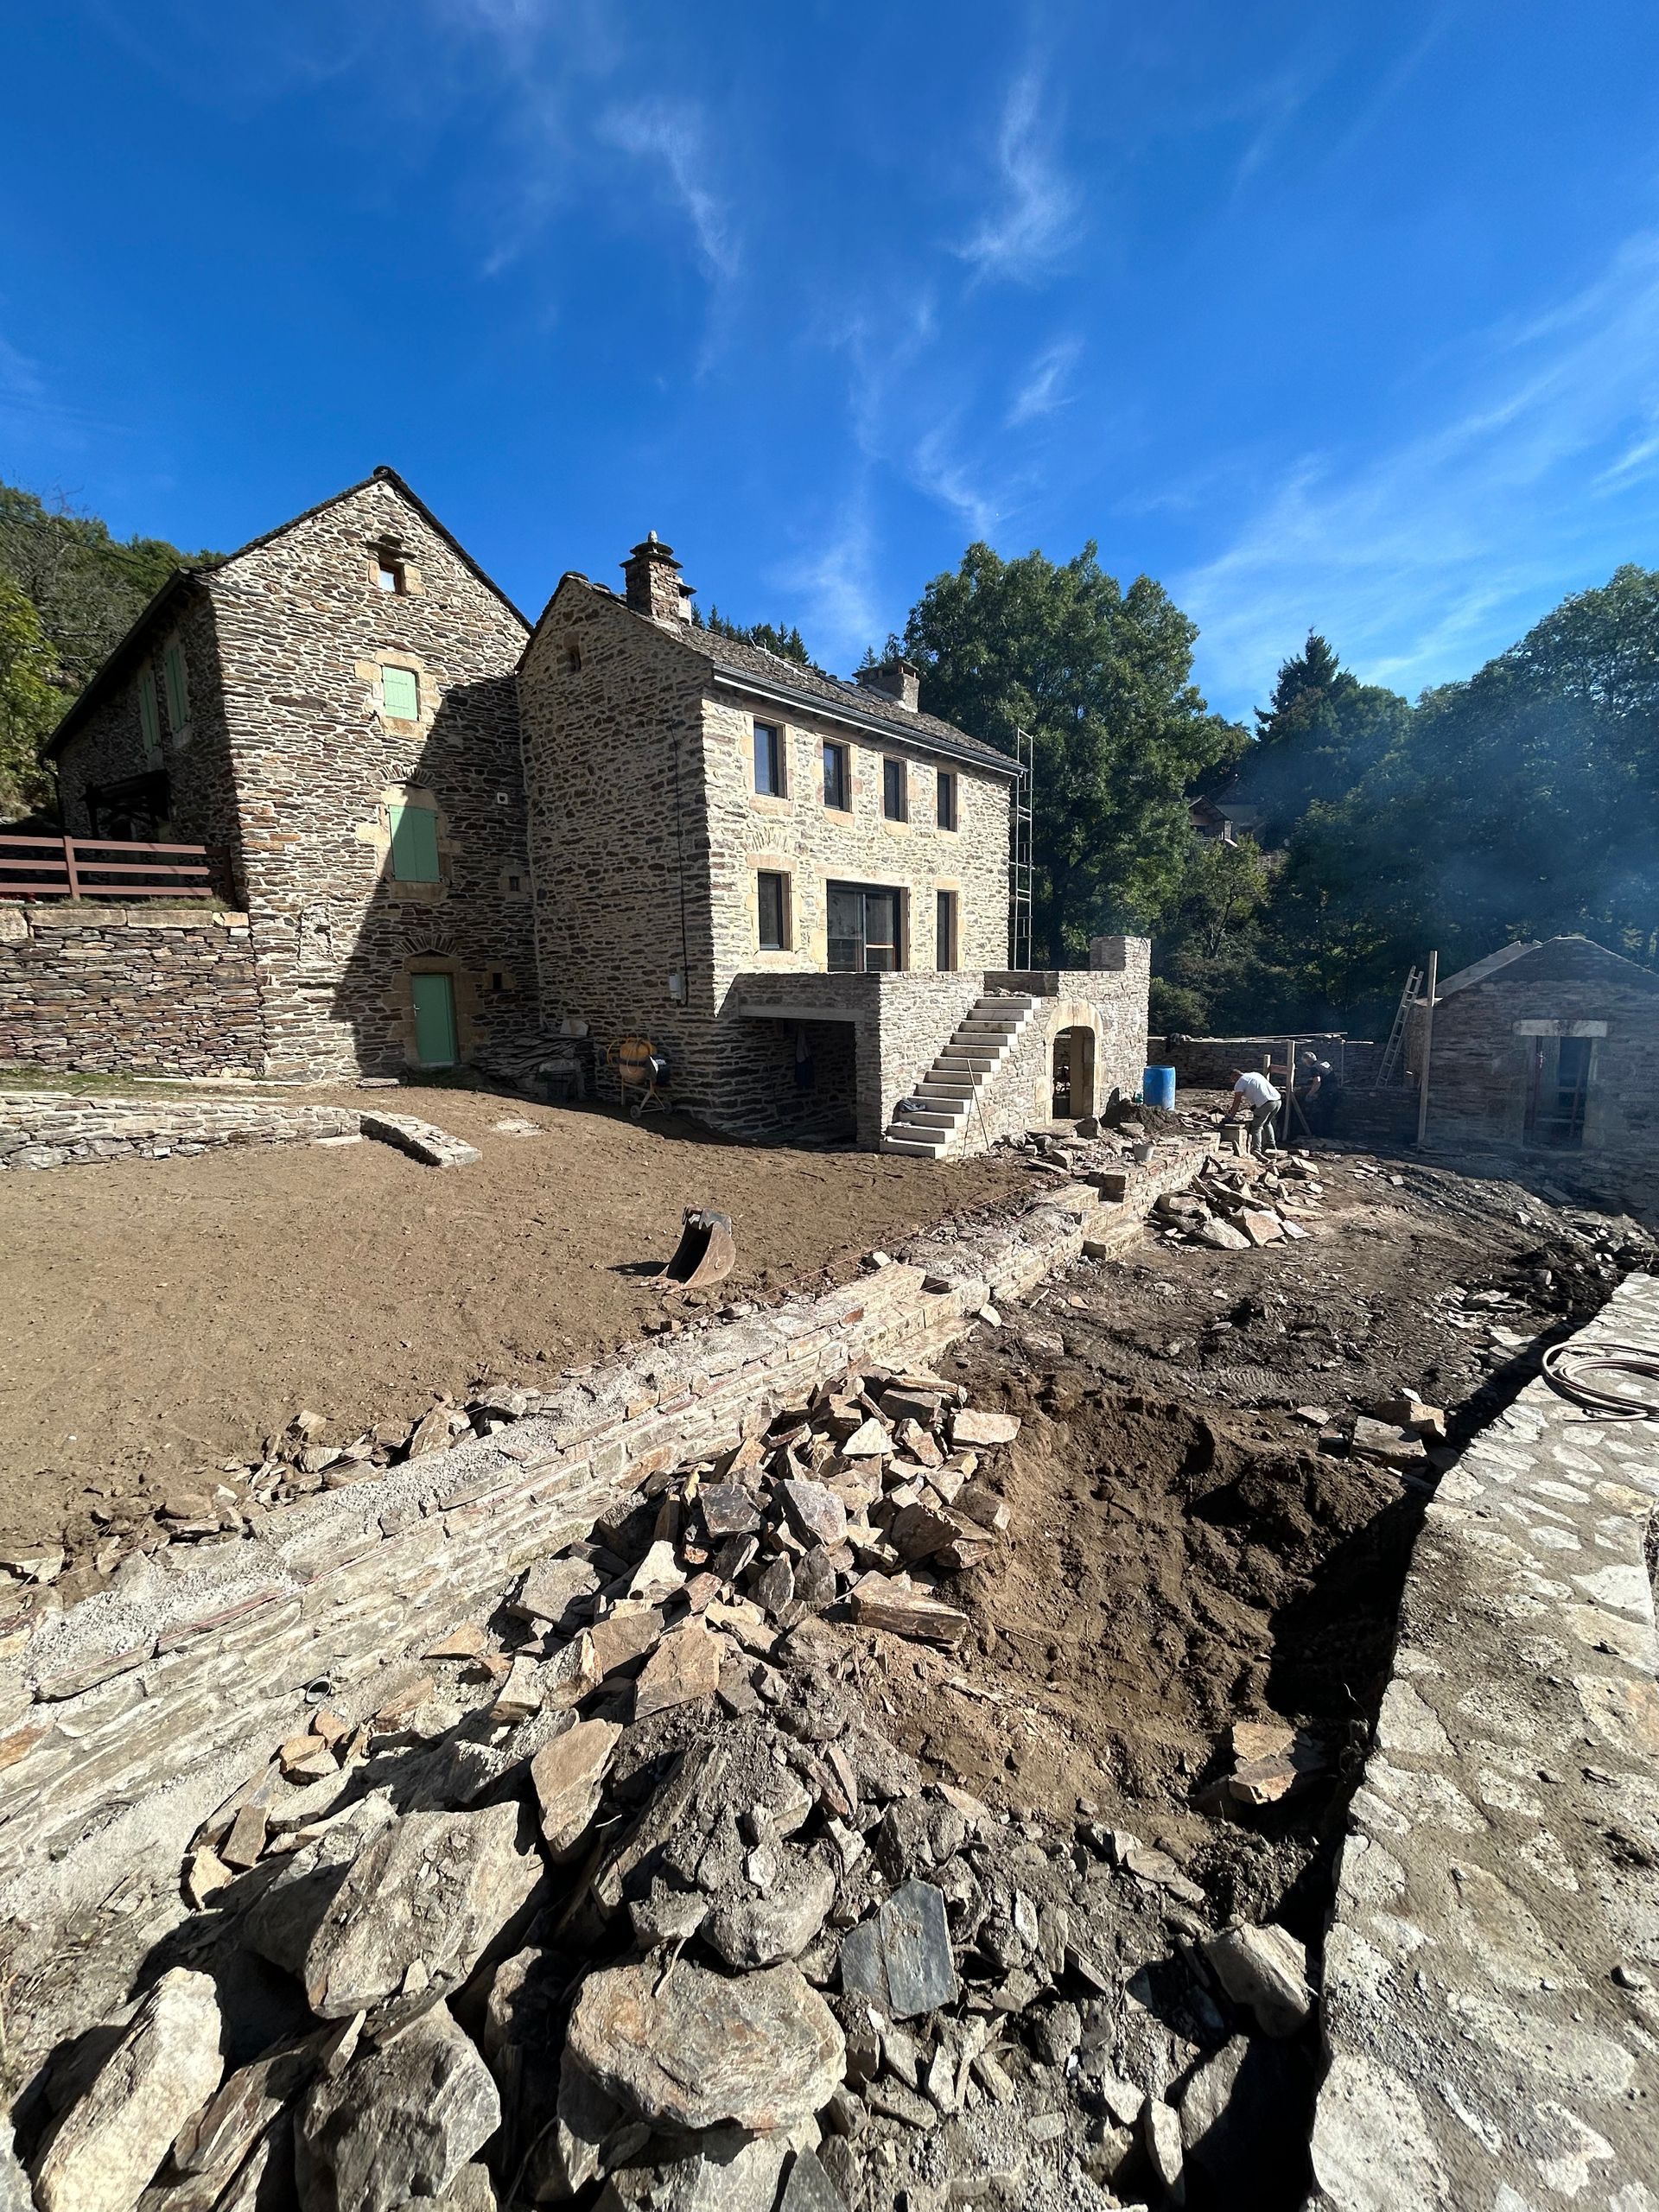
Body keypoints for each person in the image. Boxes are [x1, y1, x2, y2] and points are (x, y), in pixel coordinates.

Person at [1227, 1067, 1281, 1154]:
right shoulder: (1255, 1074)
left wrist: (1231, 1117)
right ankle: (1271, 1145)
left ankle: (1257, 1150)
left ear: (1235, 1075)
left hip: (1266, 1104)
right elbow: (1260, 1089)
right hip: (1277, 1101)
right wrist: (1256, 1105)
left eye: (1232, 1079)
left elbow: (1237, 1101)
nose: (1232, 1081)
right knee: (1267, 1122)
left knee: (1256, 1127)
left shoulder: (1240, 1083)